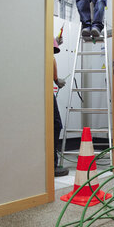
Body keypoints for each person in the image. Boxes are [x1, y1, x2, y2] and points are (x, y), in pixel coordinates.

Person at [53, 38, 69, 176]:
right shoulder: (47, 54)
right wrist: (57, 80)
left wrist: (56, 41)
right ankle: (52, 165)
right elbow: (51, 62)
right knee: (55, 125)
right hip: (46, 92)